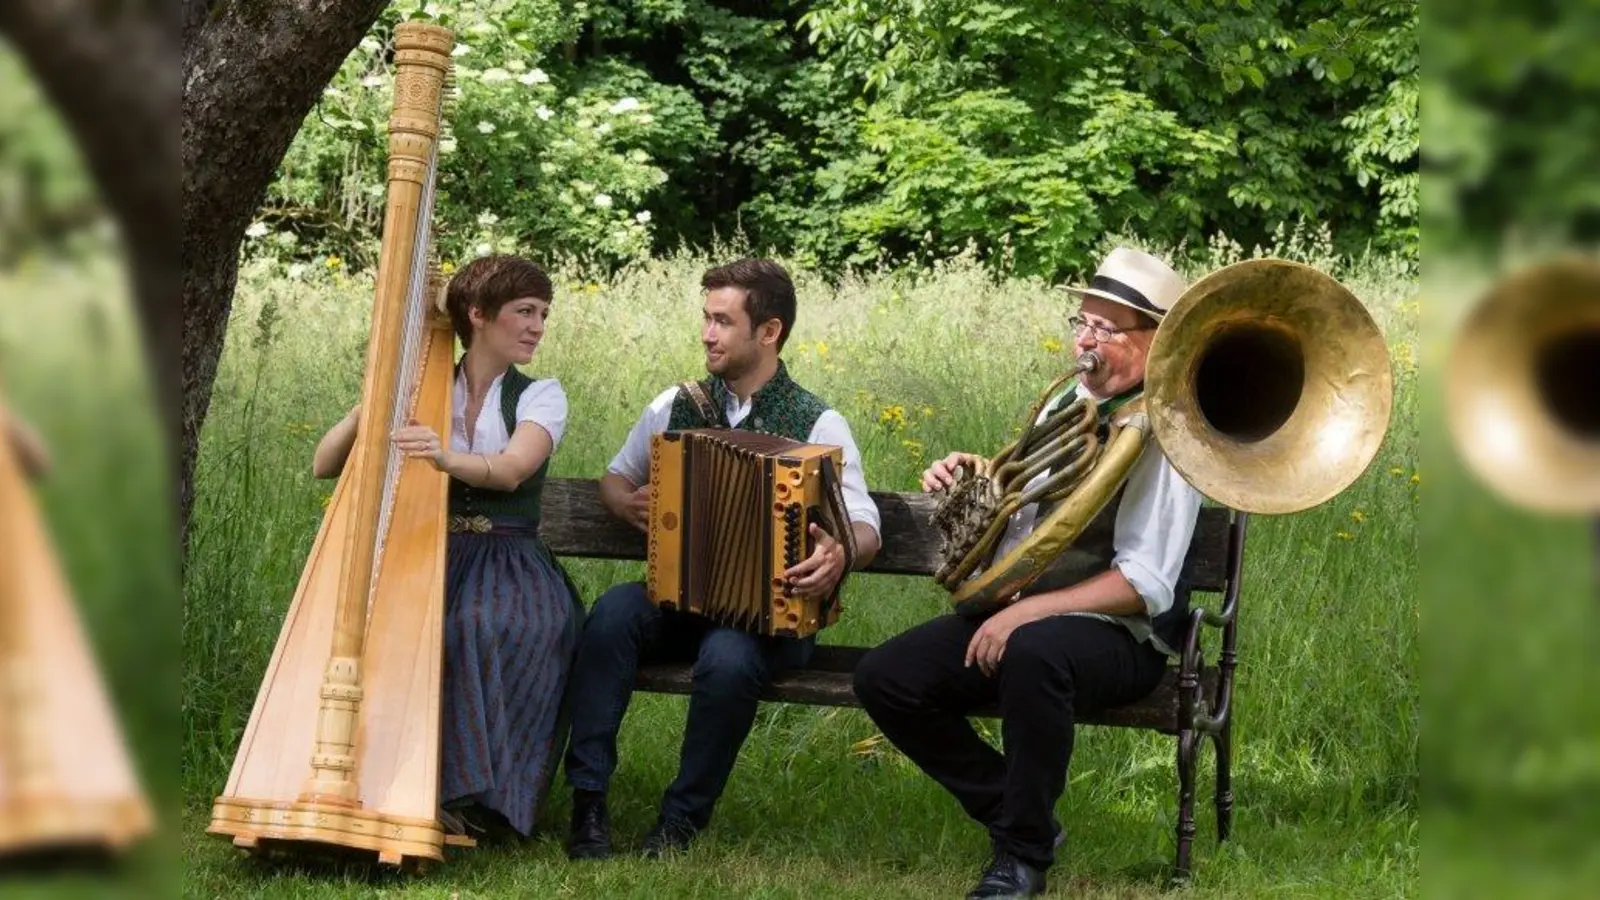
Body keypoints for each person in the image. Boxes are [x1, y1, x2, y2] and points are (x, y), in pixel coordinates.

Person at [852, 247, 1203, 899]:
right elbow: (1026, 512)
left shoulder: (1166, 434)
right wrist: (976, 480)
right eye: (1082, 321)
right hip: (1037, 616)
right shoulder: (1070, 403)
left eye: (1107, 328)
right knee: (886, 678)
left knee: (1034, 652)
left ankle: (1023, 857)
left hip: (1124, 639)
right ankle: (1016, 807)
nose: (1086, 341)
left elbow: (1145, 584)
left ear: (1158, 342)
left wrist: (1020, 612)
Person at [562, 257, 883, 859]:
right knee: (612, 614)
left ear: (769, 332)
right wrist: (625, 505)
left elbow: (866, 525)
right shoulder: (674, 405)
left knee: (729, 658)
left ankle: (679, 823)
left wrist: (840, 553)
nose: (707, 334)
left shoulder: (818, 420)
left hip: (773, 616)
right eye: (706, 319)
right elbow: (615, 477)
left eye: (722, 321)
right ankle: (587, 803)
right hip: (684, 596)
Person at [311, 253, 583, 841]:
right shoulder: (425, 386)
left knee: (474, 625)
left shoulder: (541, 397)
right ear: (479, 315)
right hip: (429, 556)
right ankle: (390, 786)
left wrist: (443, 457)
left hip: (512, 564)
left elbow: (512, 470)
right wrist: (376, 396)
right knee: (388, 628)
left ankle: (473, 801)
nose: (538, 325)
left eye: (543, 313)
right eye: (525, 311)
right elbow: (323, 465)